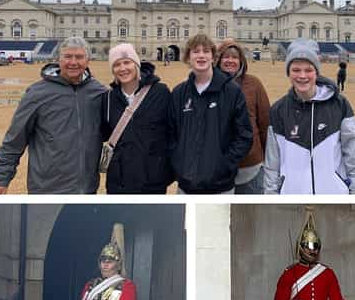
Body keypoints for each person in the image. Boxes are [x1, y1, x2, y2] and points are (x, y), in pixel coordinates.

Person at [0, 36, 107, 194]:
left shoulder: (99, 92)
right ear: (58, 59)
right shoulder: (37, 93)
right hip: (47, 189)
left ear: (88, 60)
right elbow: (15, 139)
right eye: (67, 56)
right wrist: (1, 180)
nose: (73, 62)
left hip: (86, 189)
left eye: (79, 57)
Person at [263, 39, 355, 194]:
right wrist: (271, 198)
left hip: (334, 197)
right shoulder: (278, 110)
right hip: (292, 199)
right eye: (296, 70)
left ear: (316, 72)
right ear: (288, 73)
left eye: (308, 70)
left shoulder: (339, 104)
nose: (302, 76)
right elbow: (272, 164)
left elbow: (354, 155)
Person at [168, 34, 253, 194]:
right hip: (187, 185)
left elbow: (244, 136)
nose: (201, 55)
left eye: (206, 51)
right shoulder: (179, 93)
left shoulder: (232, 91)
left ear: (213, 57)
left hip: (220, 185)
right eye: (196, 51)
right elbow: (170, 135)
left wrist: (223, 165)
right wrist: (179, 163)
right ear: (188, 57)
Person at [102, 43, 172, 194]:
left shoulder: (161, 92)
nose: (122, 68)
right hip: (118, 181)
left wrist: (164, 170)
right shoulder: (107, 98)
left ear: (136, 64)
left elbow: (172, 133)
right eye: (116, 65)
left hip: (152, 180)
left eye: (127, 62)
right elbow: (103, 133)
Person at [215, 39, 271, 194]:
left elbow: (265, 123)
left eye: (235, 58)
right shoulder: (209, 84)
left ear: (241, 61)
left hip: (250, 165)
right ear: (218, 60)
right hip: (218, 167)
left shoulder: (254, 84)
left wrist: (268, 159)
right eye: (226, 57)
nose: (230, 61)